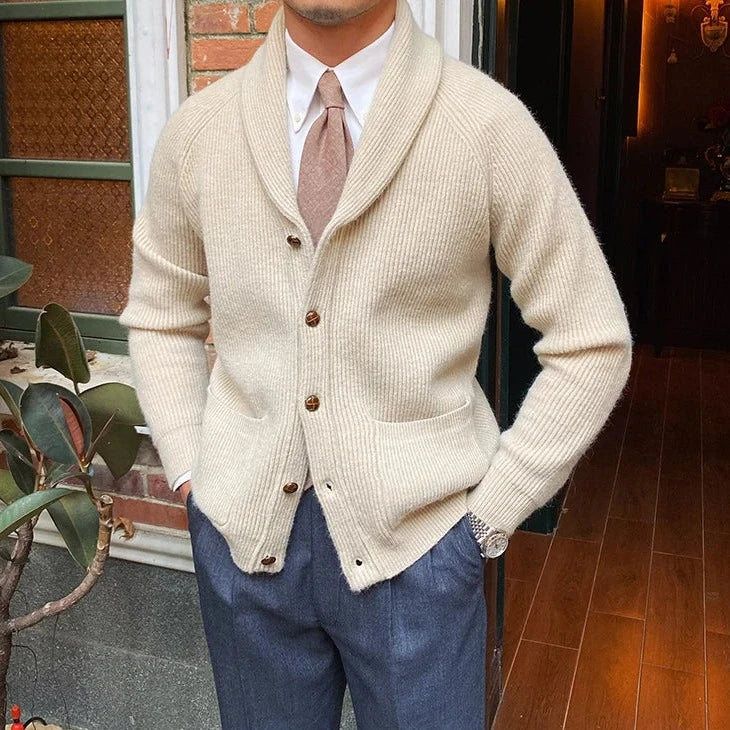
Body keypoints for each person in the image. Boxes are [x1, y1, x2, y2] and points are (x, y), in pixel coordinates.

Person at [119, 0, 633, 727]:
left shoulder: (487, 126)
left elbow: (591, 338)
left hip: (422, 556)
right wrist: (192, 470)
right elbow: (161, 314)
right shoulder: (199, 132)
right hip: (243, 548)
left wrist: (487, 520)